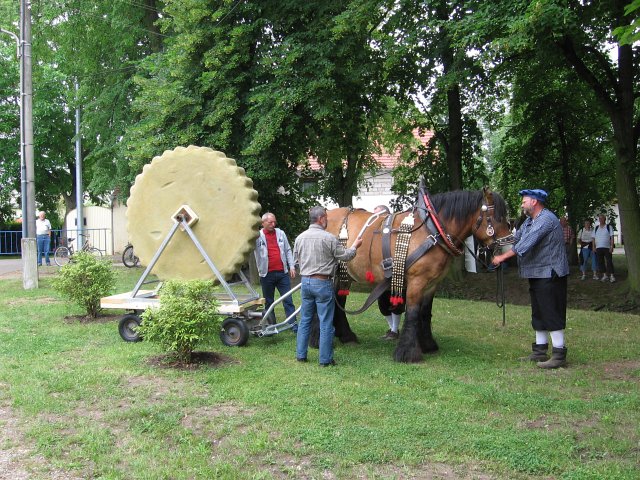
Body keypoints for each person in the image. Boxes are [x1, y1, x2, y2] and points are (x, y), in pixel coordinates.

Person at [492, 189, 569, 369]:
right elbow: (515, 238)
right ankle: (540, 351)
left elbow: (526, 244)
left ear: (534, 202)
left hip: (551, 273)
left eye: (524, 200)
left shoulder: (546, 220)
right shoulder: (528, 221)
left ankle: (559, 354)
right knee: (539, 312)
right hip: (537, 273)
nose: (522, 203)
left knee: (551, 311)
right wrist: (494, 241)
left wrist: (501, 258)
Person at [294, 206, 362, 366]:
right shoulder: (329, 238)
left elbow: (296, 260)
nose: (327, 221)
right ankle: (325, 359)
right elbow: (345, 256)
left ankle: (301, 355)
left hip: (305, 282)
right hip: (322, 283)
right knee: (326, 322)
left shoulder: (299, 238)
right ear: (321, 219)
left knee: (304, 320)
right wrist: (355, 246)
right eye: (326, 218)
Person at [254, 212, 297, 327]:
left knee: (288, 300)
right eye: (270, 222)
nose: (273, 224)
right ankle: (270, 325)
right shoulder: (257, 236)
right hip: (266, 274)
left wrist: (291, 266)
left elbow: (288, 250)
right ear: (263, 223)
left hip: (282, 273)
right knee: (269, 302)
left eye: (274, 222)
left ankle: (292, 325)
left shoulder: (280, 233)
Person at [373, 205, 404, 340]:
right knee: (382, 304)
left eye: (377, 215)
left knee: (396, 302)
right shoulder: (375, 233)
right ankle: (393, 330)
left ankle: (394, 330)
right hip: (381, 273)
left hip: (396, 271)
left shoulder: (395, 228)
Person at [593, 214, 615, 283]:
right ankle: (604, 275)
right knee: (600, 262)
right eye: (599, 219)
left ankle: (612, 276)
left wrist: (611, 246)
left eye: (602, 218)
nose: (601, 220)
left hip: (607, 247)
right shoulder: (596, 228)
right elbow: (593, 238)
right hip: (598, 248)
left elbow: (612, 237)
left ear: (605, 219)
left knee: (609, 261)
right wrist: (593, 247)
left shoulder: (609, 227)